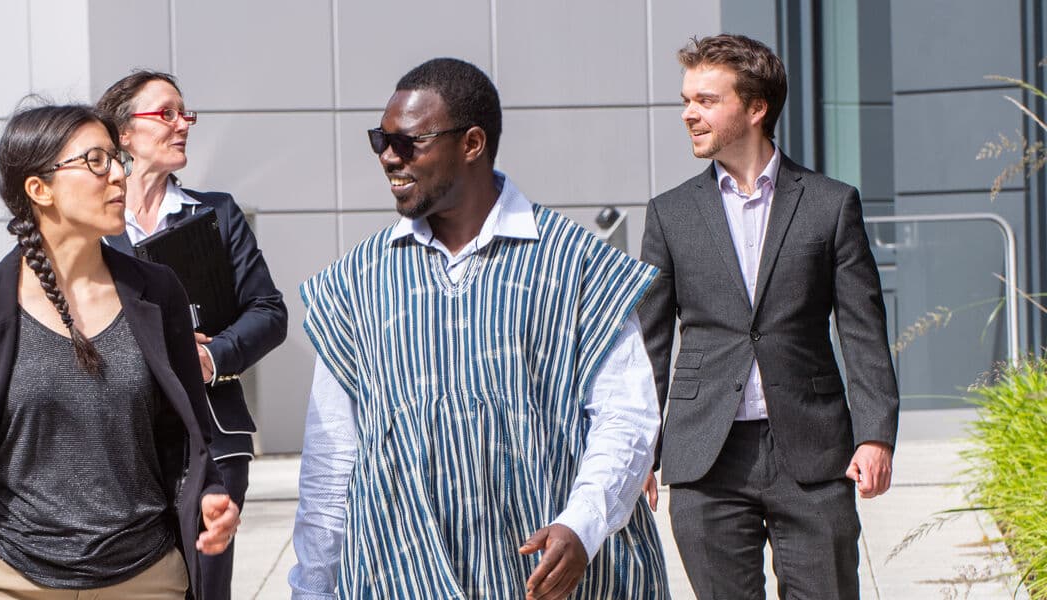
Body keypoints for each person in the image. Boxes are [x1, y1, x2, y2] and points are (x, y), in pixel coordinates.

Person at [288, 58, 669, 599]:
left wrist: (582, 525)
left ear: (472, 143)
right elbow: (330, 463)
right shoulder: (356, 284)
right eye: (380, 140)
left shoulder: (575, 264)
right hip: (402, 576)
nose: (389, 157)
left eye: (408, 141)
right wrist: (314, 587)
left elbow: (626, 415)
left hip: (554, 573)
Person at [0, 103, 240, 600]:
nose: (118, 174)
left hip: (144, 576)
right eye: (96, 161)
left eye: (118, 159)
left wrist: (211, 495)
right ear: (39, 189)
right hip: (3, 577)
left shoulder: (159, 294)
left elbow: (190, 438)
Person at [639, 34, 899, 600]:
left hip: (812, 452)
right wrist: (641, 451)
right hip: (706, 457)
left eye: (706, 100)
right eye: (687, 100)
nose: (689, 114)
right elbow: (649, 345)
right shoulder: (670, 215)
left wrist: (875, 435)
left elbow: (862, 331)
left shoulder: (831, 204)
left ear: (756, 108)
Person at [95, 70, 288, 600]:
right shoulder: (92, 231)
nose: (183, 124)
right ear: (124, 134)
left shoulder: (216, 214)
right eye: (166, 114)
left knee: (203, 585)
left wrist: (213, 357)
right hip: (121, 440)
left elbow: (269, 312)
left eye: (186, 114)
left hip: (214, 434)